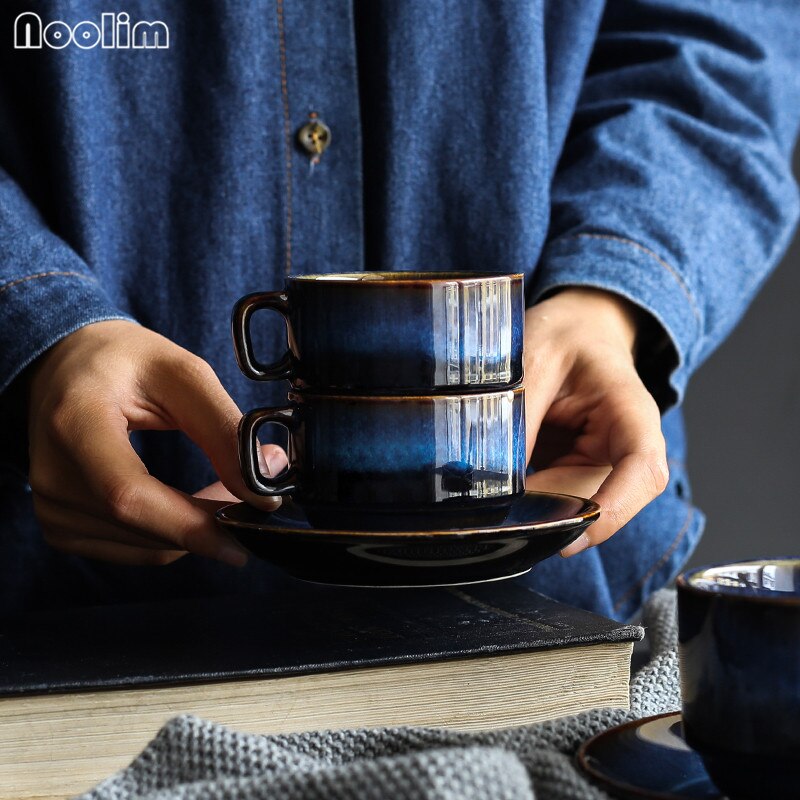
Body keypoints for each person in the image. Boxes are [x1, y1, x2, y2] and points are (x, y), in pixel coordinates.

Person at [1, 1, 798, 621]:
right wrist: (37, 325)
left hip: (561, 620)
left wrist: (613, 295)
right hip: (63, 624)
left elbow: (721, 46)